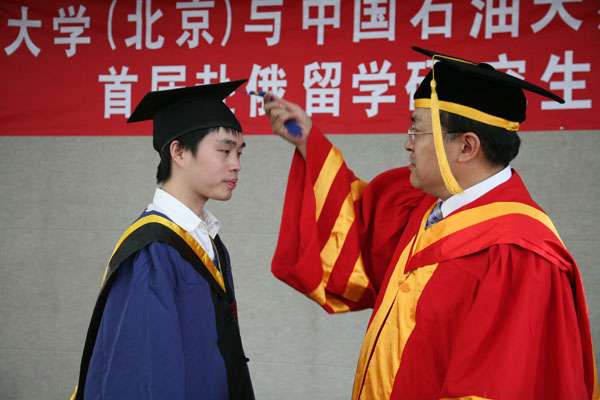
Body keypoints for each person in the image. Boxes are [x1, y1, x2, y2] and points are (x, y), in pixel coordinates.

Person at [263, 47, 598, 399]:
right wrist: (307, 141)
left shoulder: (518, 255)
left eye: (417, 130)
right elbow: (352, 228)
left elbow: (494, 387)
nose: (407, 143)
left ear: (466, 147)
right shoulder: (425, 208)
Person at [71, 80, 254, 400]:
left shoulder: (207, 240)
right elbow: (146, 378)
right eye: (224, 151)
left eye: (239, 153)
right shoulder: (153, 252)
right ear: (178, 152)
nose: (236, 164)